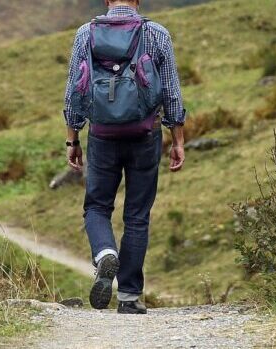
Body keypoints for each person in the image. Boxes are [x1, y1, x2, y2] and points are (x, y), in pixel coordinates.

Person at [62, 0, 186, 314]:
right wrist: (178, 140)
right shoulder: (155, 33)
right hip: (145, 133)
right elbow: (171, 90)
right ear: (138, 0)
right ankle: (129, 296)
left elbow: (74, 91)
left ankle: (104, 253)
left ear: (106, 0)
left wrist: (72, 139)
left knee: (97, 206)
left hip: (102, 134)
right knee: (137, 215)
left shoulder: (85, 33)